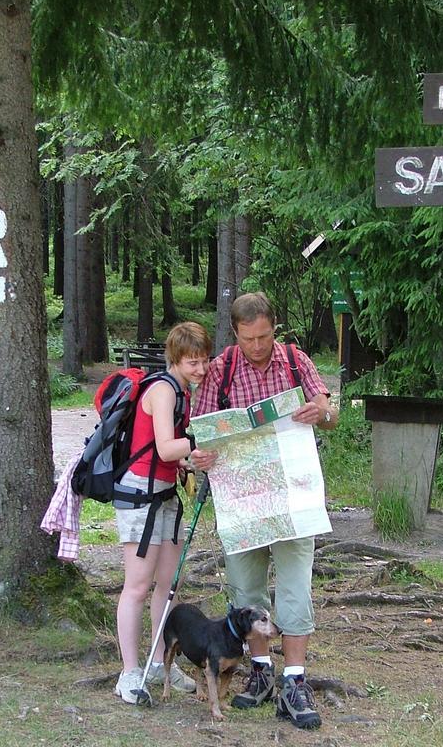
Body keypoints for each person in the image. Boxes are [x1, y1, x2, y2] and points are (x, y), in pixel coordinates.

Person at [193, 292, 337, 729]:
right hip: (243, 505)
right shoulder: (220, 370)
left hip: (293, 500)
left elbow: (330, 410)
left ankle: (295, 680)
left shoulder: (295, 359)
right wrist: (201, 456)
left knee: (294, 590)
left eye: (266, 336)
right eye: (250, 338)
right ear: (235, 333)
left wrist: (323, 412)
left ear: (276, 327)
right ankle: (261, 674)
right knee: (246, 590)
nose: (259, 346)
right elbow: (201, 434)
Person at [114, 321, 216, 704]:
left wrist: (190, 461)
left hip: (166, 494)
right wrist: (200, 442)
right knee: (137, 586)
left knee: (167, 584)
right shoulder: (162, 390)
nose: (200, 370)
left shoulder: (184, 392)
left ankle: (159, 662)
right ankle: (128, 673)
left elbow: (176, 454)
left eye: (204, 361)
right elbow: (163, 448)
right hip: (139, 495)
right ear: (175, 358)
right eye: (193, 362)